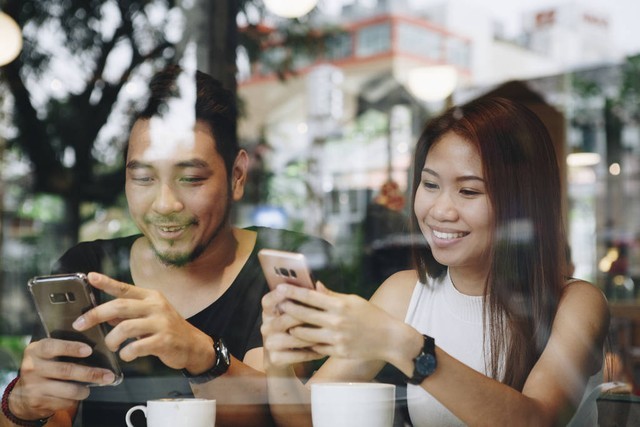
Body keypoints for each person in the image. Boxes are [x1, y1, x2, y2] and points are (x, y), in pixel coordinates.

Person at [0, 65, 335, 427]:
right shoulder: (89, 267)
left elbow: (279, 415)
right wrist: (23, 407)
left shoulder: (282, 265)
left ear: (237, 176)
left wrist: (199, 353)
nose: (164, 204)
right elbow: (57, 416)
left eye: (190, 178)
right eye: (143, 178)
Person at [261, 97, 610, 426]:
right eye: (430, 185)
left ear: (522, 204)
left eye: (468, 191)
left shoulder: (576, 303)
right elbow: (305, 417)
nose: (440, 211)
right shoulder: (404, 293)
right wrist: (278, 360)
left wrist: (402, 345)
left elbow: (535, 420)